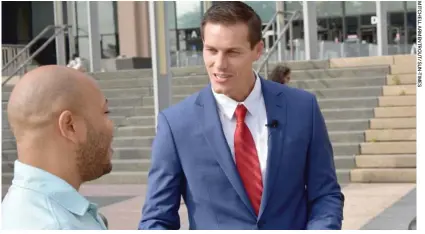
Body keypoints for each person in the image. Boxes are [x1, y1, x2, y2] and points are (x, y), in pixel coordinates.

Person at [139, 1, 344, 230]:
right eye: (211, 50)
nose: (219, 64)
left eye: (232, 52)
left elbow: (325, 195)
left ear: (258, 50)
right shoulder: (176, 124)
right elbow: (156, 219)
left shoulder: (303, 108)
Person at [2, 65, 114, 230]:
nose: (111, 126)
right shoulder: (57, 226)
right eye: (105, 112)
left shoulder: (20, 208)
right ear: (70, 126)